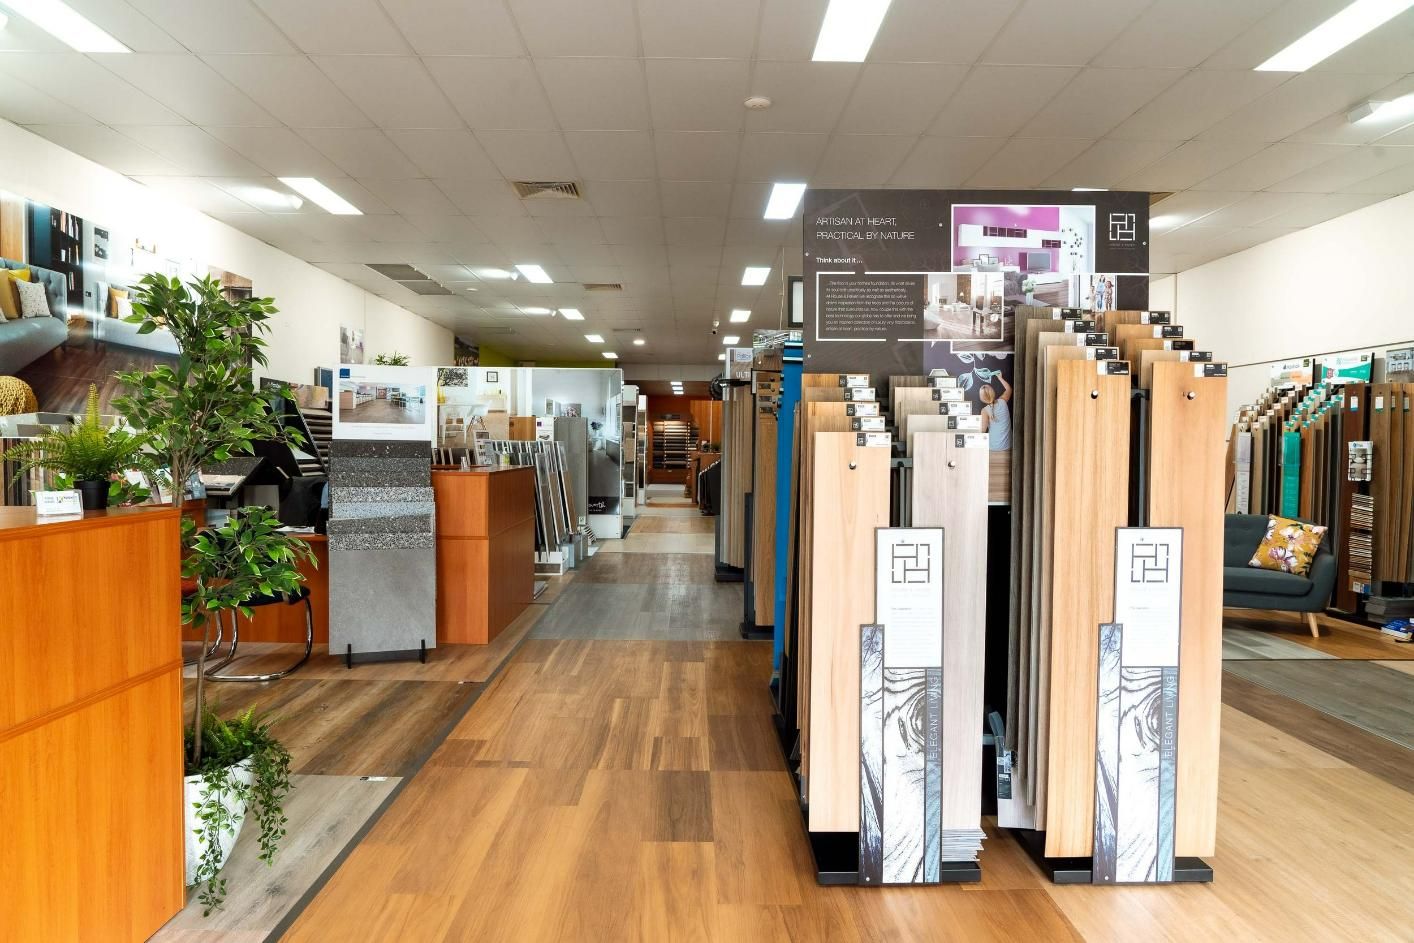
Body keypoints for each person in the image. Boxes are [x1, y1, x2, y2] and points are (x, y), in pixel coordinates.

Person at [978, 374, 1012, 451]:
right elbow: (1009, 389)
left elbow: (982, 431)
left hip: (993, 447)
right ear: (993, 392)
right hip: (1008, 446)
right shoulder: (1003, 401)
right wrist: (1000, 378)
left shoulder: (985, 411)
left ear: (982, 398)